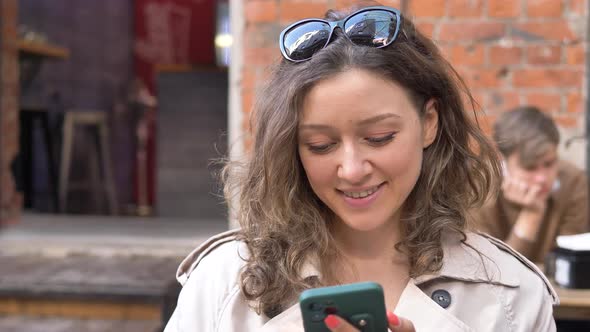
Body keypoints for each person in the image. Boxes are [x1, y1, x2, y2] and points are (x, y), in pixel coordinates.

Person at [164, 4, 557, 331]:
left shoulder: (511, 296)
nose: (351, 170)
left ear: (430, 122)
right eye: (321, 145)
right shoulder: (226, 281)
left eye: (380, 137)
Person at [471, 105, 589, 263]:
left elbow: (571, 261)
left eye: (549, 163)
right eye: (530, 167)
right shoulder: (478, 188)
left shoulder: (574, 182)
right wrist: (531, 214)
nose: (542, 178)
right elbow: (492, 270)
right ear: (503, 161)